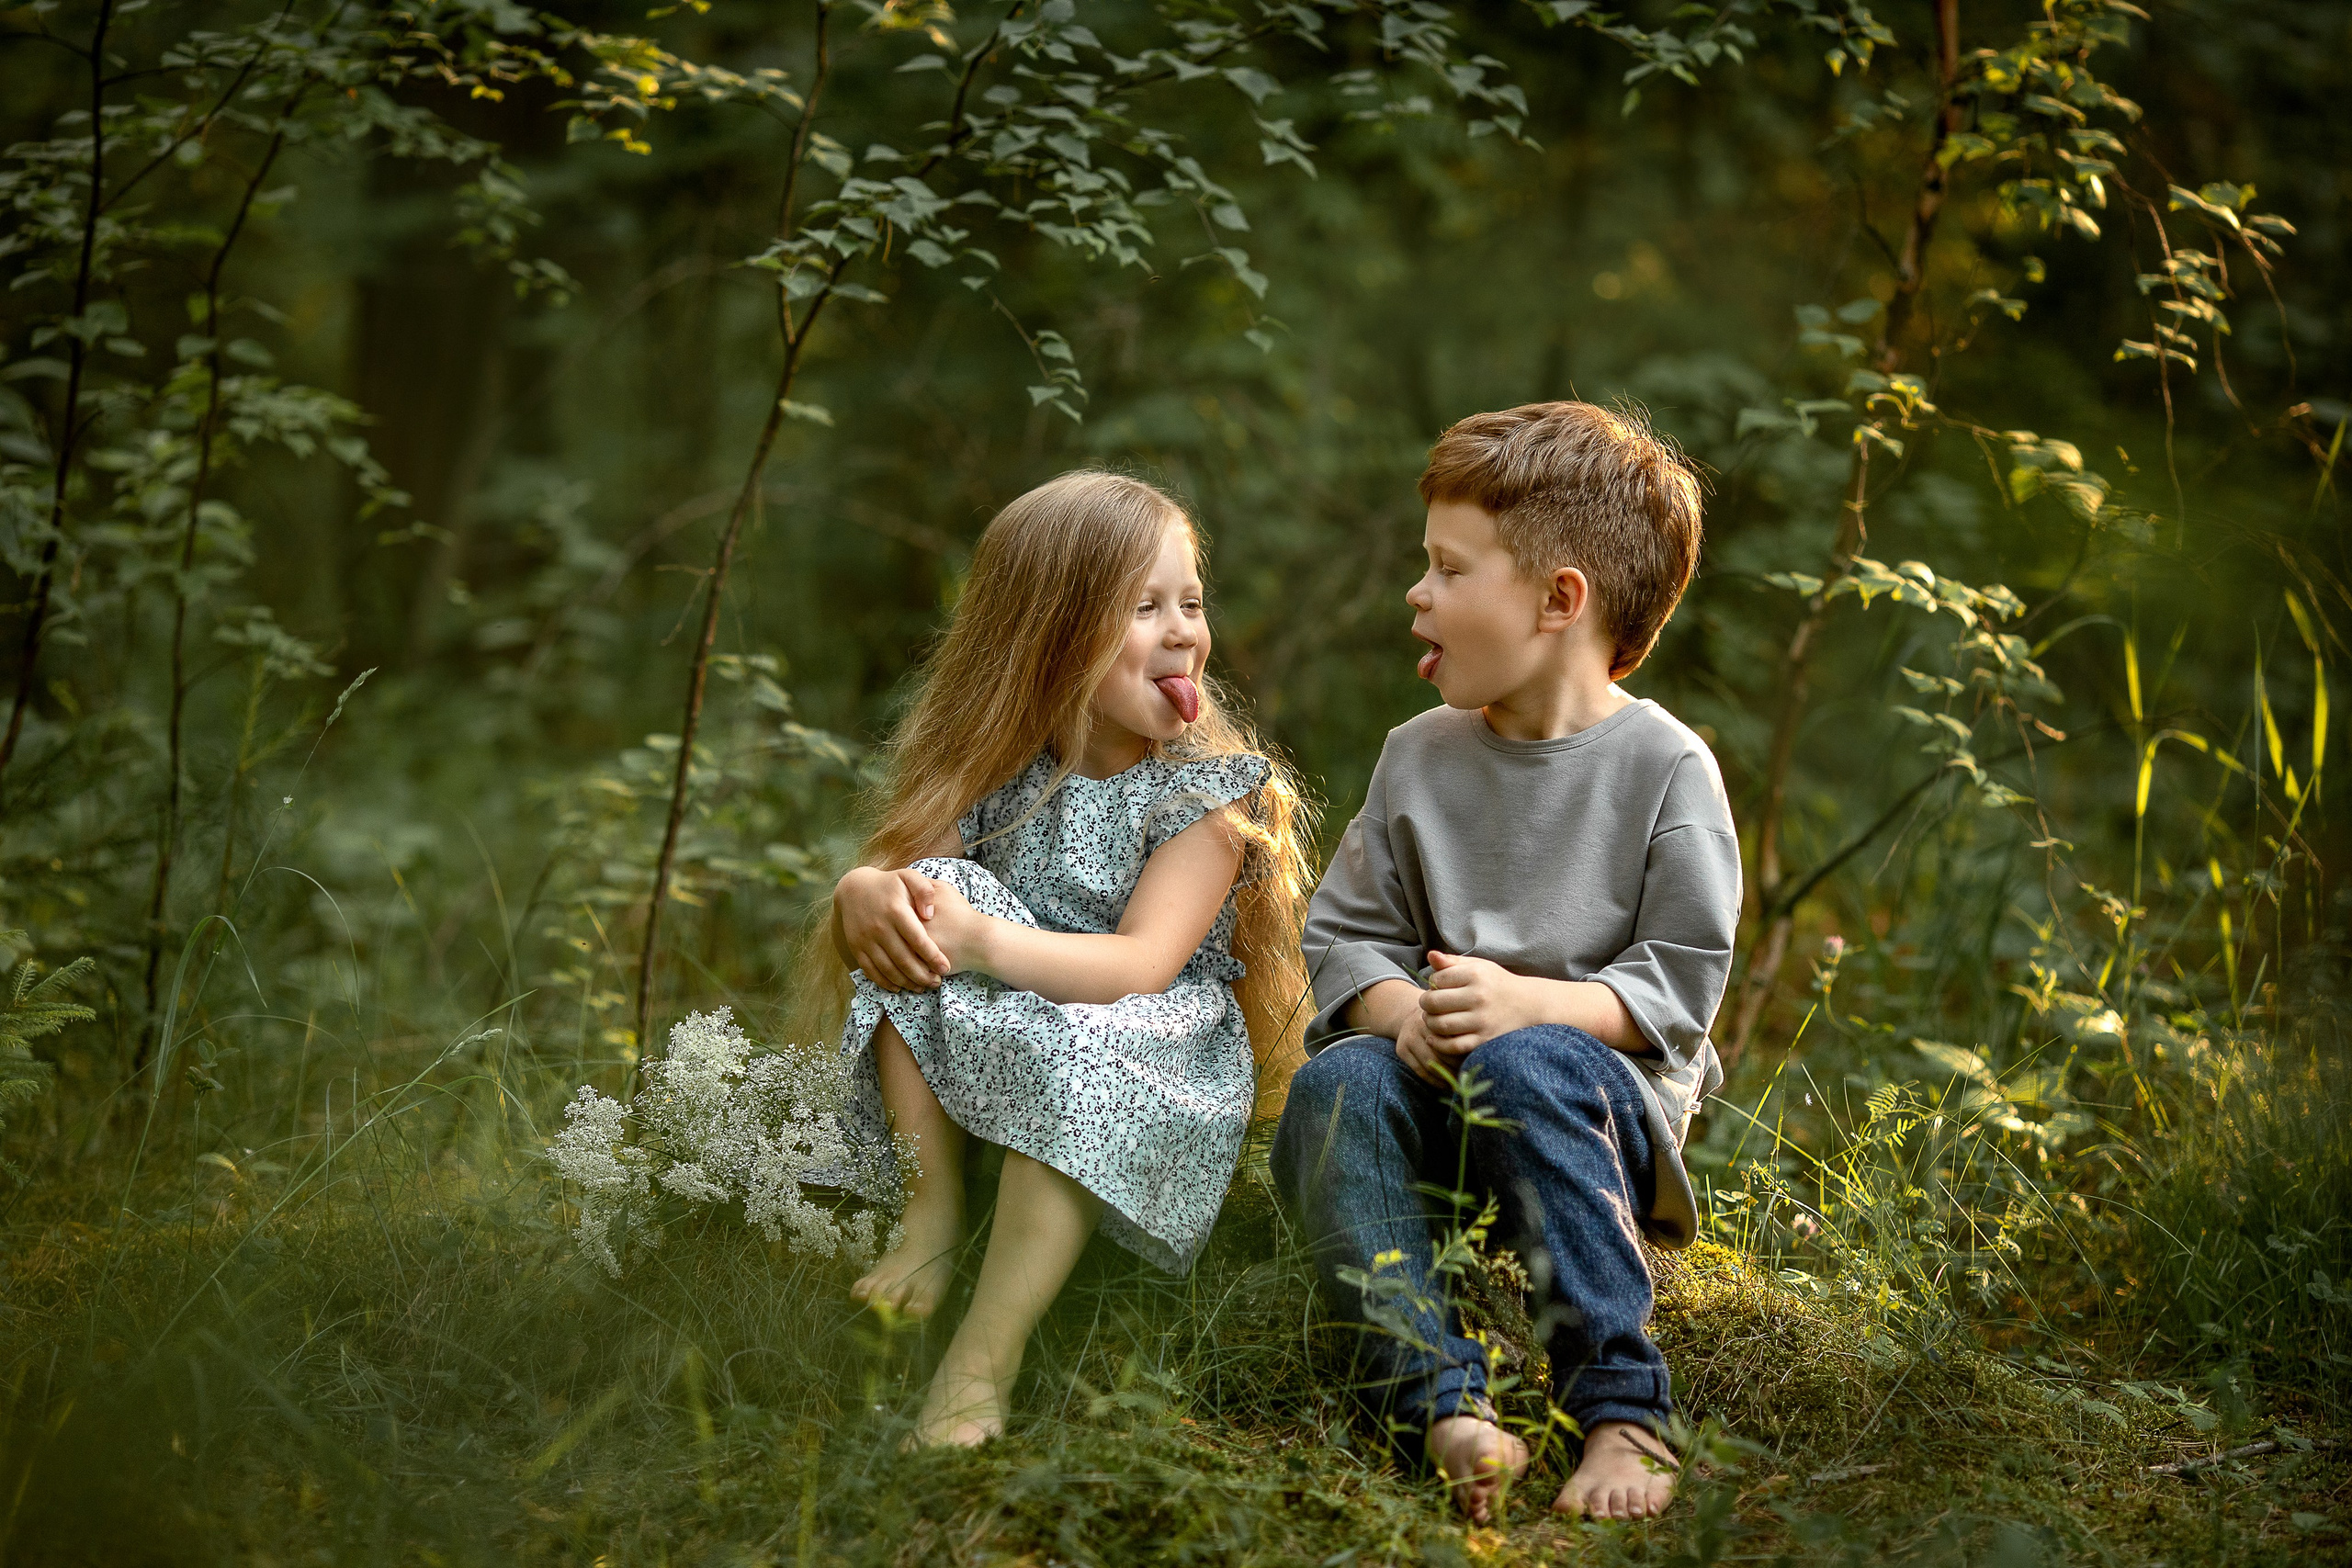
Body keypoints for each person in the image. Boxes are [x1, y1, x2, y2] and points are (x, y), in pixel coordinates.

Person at [1271, 401, 1739, 1523]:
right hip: (1433, 1098)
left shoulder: (1665, 768)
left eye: (1446, 567)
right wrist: (1400, 1018)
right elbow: (1342, 937)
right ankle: (1440, 1403)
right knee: (1332, 1087)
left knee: (1528, 1063)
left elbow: (1678, 985)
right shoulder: (1417, 757)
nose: (1415, 592)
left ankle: (1623, 1409)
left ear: (1556, 599)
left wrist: (1531, 1005)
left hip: (1589, 1111)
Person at [821, 470, 1315, 1449]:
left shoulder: (1205, 801)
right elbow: (922, 900)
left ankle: (980, 1362)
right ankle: (933, 1210)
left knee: (1075, 1052)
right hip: (1021, 1005)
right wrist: (862, 894)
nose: (1183, 631)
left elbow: (1138, 967)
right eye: (1144, 607)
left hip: (1146, 1040)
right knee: (922, 892)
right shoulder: (997, 776)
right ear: (1048, 631)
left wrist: (984, 944)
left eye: (1191, 601)